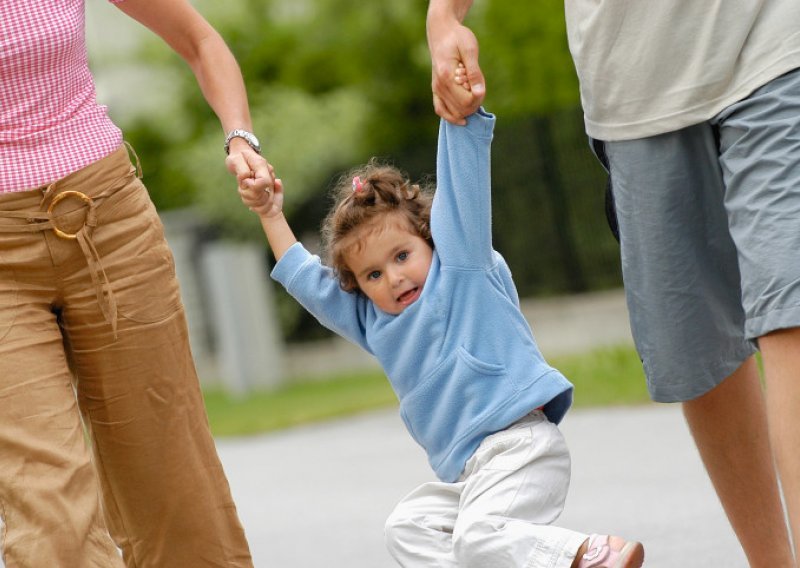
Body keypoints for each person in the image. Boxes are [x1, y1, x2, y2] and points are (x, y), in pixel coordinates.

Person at [426, 1, 800, 566]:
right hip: (631, 87)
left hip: (774, 44)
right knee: (694, 350)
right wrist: (444, 17)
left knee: (789, 309)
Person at [239, 66, 644, 565]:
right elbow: (308, 282)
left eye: (402, 256)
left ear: (429, 239)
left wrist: (459, 115)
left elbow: (463, 186)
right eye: (372, 275)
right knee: (408, 527)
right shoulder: (375, 322)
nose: (392, 279)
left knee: (478, 538)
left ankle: (590, 555)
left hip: (521, 447)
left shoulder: (462, 268)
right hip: (471, 476)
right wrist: (270, 215)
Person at [0, 1, 272, 566]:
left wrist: (240, 139)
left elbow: (200, 40)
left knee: (174, 488)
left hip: (112, 223)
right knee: (48, 516)